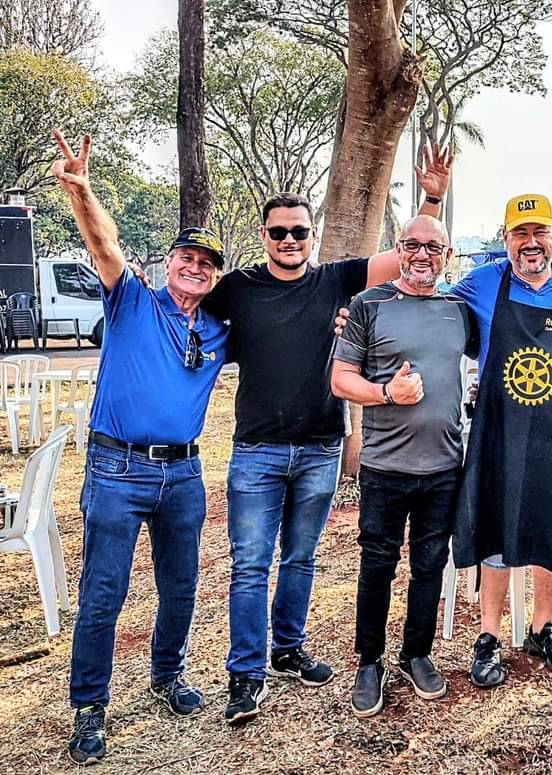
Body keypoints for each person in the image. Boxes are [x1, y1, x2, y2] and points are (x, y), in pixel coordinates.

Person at [202, 145, 454, 724]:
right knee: (250, 564)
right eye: (279, 232)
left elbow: (410, 254)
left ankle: (288, 650)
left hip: (321, 446)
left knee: (301, 558)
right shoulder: (237, 288)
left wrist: (432, 198)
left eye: (299, 232)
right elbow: (187, 307)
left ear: (313, 236)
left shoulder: (336, 281)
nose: (289, 240)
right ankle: (246, 674)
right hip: (257, 449)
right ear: (264, 236)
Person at [51, 131, 228, 764]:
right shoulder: (132, 300)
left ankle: (167, 675)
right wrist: (82, 191)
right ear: (168, 264)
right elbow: (105, 244)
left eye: (206, 263)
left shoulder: (218, 331)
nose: (195, 267)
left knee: (181, 586)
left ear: (215, 276)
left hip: (183, 475)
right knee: (104, 592)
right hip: (116, 470)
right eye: (186, 258)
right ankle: (90, 707)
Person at [330, 215, 477, 717]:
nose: (422, 255)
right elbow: (341, 379)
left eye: (434, 247)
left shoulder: (459, 310)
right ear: (398, 249)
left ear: (448, 255)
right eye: (413, 245)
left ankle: (417, 654)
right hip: (385, 467)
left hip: (444, 466)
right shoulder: (368, 305)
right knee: (378, 565)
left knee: (429, 565)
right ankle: (368, 662)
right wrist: (386, 393)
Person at [452, 194, 552, 687]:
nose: (530, 243)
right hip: (502, 431)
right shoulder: (481, 282)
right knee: (497, 526)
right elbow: (424, 297)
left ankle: (542, 628)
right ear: (505, 238)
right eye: (520, 233)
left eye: (540, 232)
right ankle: (489, 636)